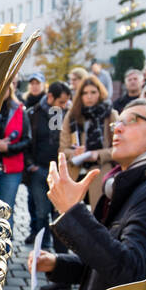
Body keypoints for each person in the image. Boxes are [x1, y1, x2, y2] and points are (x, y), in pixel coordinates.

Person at [30, 98, 146, 290]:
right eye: (116, 123)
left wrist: (72, 211)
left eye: (131, 121)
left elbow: (128, 272)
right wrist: (58, 264)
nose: (117, 129)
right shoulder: (134, 185)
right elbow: (107, 260)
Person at [23, 80, 72, 245]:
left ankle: (60, 250)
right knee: (41, 212)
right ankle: (43, 247)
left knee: (58, 212)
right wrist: (30, 165)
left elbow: (58, 141)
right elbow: (27, 141)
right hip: (39, 169)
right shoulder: (34, 113)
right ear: (50, 96)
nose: (64, 105)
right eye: (61, 102)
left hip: (57, 171)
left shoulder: (59, 113)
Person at [60, 74, 117, 209]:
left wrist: (98, 154)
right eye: (85, 93)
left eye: (93, 92)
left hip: (100, 171)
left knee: (99, 215)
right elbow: (63, 148)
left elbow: (119, 147)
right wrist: (75, 153)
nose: (89, 96)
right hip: (75, 172)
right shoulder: (72, 115)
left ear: (100, 93)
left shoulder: (110, 114)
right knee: (71, 217)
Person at [0, 82, 31, 210]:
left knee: (6, 211)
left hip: (11, 169)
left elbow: (27, 141)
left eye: (4, 89)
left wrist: (7, 148)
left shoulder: (19, 111)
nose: (2, 92)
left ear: (9, 89)